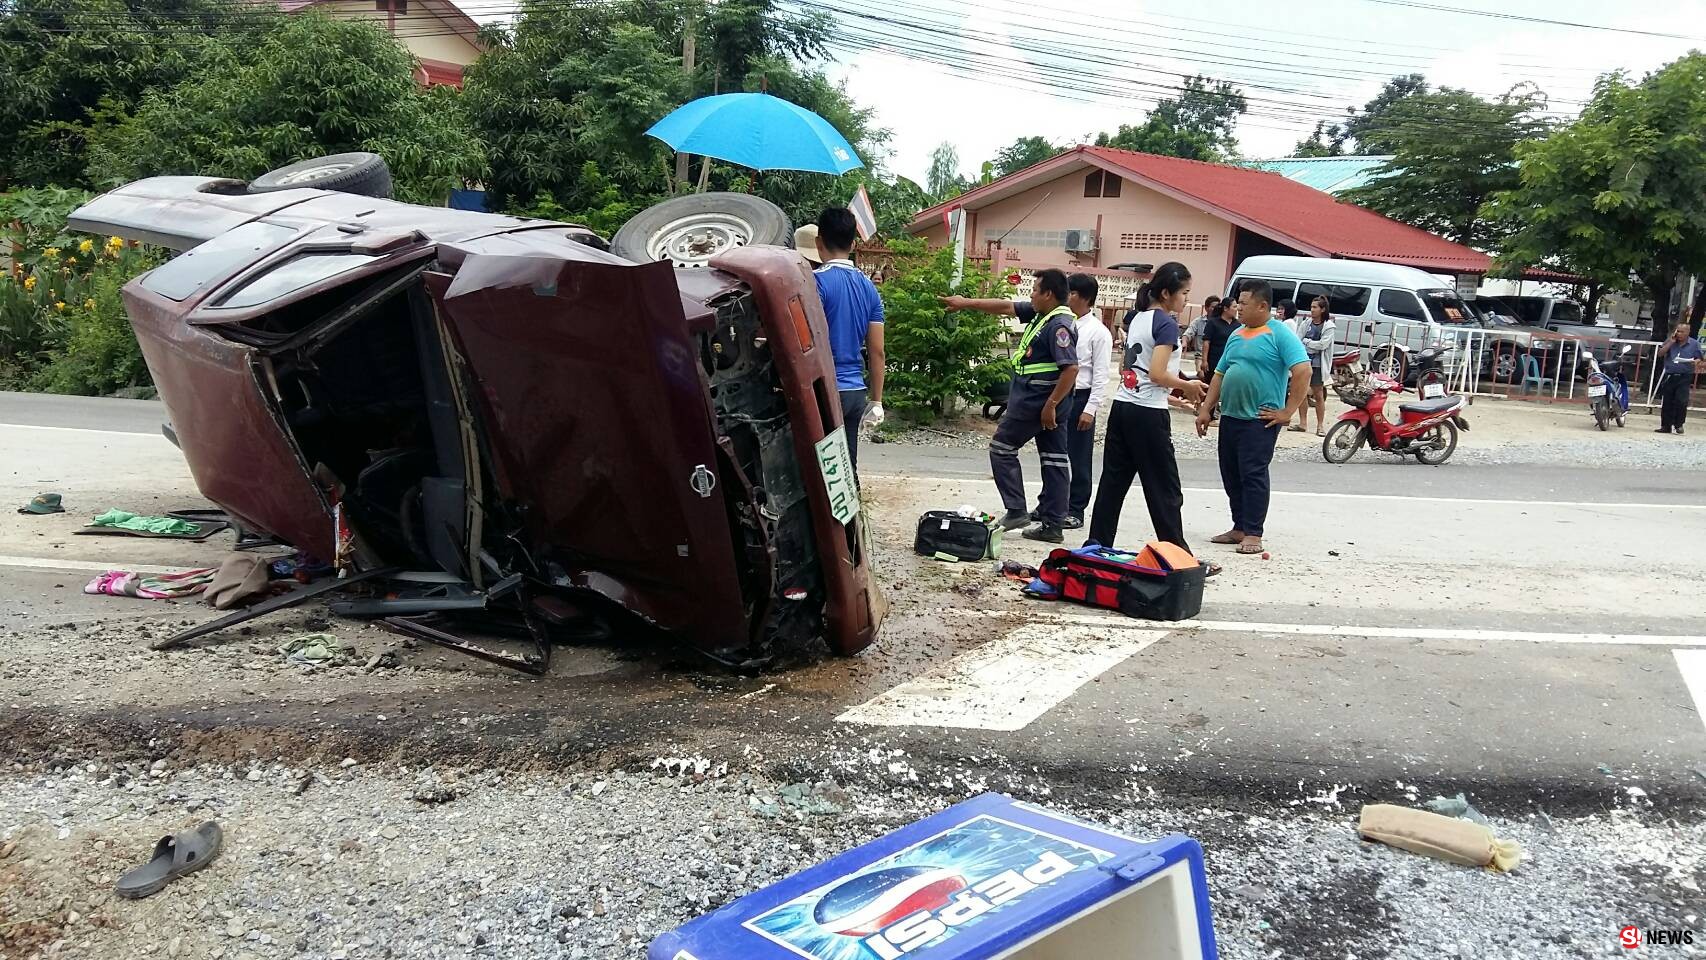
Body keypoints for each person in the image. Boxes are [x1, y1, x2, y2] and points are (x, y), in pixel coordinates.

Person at [1086, 262, 1213, 567]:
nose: (1185, 300)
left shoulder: (1138, 318)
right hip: (1148, 414)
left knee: (1112, 484)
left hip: (1123, 407)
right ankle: (1179, 558)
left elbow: (1134, 366)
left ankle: (1095, 548)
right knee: (1164, 488)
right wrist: (1187, 385)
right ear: (1167, 293)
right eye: (1184, 293)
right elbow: (1157, 374)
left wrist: (1179, 381)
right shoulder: (1167, 323)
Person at [939, 269, 1079, 542]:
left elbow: (1071, 369)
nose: (1031, 294)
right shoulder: (1044, 315)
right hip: (1046, 399)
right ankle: (1052, 526)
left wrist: (1050, 405)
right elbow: (1005, 306)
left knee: (1002, 448)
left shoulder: (1058, 324)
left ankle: (1016, 509)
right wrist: (964, 302)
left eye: (1035, 289)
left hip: (1038, 399)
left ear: (1048, 294)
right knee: (1054, 459)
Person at [1195, 279, 1310, 556]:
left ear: (1262, 306)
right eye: (1238, 304)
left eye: (1244, 304)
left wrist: (1287, 411)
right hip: (1231, 416)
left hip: (1259, 419)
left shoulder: (1278, 333)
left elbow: (1303, 370)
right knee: (1231, 473)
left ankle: (1254, 532)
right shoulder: (1236, 335)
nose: (1239, 308)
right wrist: (1206, 408)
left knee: (1253, 474)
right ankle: (1239, 526)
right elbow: (1220, 374)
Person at [810, 209, 886, 472]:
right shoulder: (870, 289)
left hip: (824, 392)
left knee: (820, 474)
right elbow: (877, 352)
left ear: (819, 242)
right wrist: (876, 401)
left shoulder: (814, 284)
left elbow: (810, 340)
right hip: (855, 393)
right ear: (853, 244)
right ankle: (852, 513)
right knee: (847, 470)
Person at [1063, 273, 1111, 529]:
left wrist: (1090, 408)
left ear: (1084, 298)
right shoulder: (1062, 323)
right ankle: (1052, 502)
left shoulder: (1098, 332)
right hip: (1059, 394)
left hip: (1081, 396)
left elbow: (1101, 374)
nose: (1067, 297)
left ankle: (1076, 509)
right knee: (1055, 452)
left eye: (1071, 293)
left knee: (1079, 455)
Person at [1291, 295, 1335, 435]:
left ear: (1322, 309)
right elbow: (1298, 340)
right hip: (1304, 362)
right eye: (1311, 307)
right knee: (1301, 393)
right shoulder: (1306, 323)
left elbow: (1322, 345)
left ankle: (1320, 425)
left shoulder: (1328, 326)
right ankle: (1302, 423)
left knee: (1318, 394)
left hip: (1318, 365)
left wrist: (1307, 342)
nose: (1312, 310)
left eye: (1315, 307)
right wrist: (1308, 344)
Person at [1654, 322, 1704, 435]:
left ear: (1688, 333)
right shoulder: (1671, 341)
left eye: (1682, 332)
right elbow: (1660, 354)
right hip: (1670, 375)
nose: (1679, 334)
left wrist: (1696, 361)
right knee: (1667, 401)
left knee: (1681, 401)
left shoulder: (1694, 344)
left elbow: (1699, 358)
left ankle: (1679, 424)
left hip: (1684, 376)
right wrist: (1670, 343)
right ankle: (1665, 425)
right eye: (1678, 331)